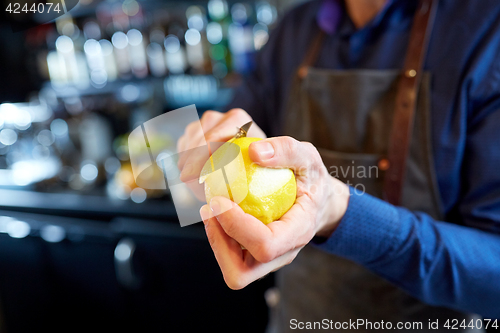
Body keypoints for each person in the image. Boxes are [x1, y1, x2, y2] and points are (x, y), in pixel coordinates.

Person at [177, 0, 500, 330]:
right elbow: (210, 153)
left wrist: (338, 211)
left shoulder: (487, 31)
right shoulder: (294, 29)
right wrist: (194, 150)